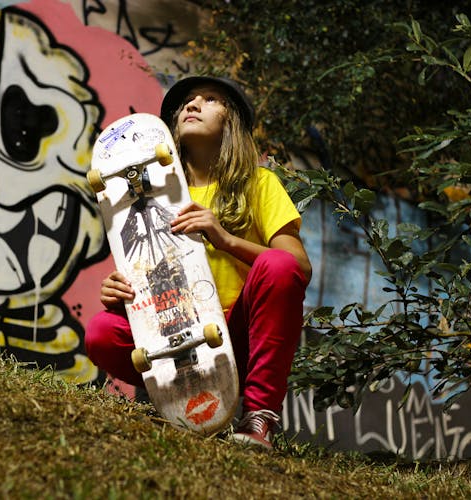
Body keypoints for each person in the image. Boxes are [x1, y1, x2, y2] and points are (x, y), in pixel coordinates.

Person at [85, 75, 312, 448]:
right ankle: (176, 400)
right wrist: (120, 294)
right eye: (188, 101)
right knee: (101, 332)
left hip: (238, 334)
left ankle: (257, 418)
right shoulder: (144, 197)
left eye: (210, 100)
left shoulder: (260, 184)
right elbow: (145, 277)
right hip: (175, 332)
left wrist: (224, 238)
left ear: (231, 121)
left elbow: (298, 266)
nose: (193, 105)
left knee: (279, 266)